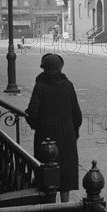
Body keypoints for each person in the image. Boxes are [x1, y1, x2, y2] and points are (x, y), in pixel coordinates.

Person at [25, 53, 82, 203]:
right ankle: (65, 209)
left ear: (44, 69)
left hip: (46, 135)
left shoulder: (40, 86)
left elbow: (32, 112)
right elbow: (77, 114)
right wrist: (74, 132)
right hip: (67, 134)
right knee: (66, 171)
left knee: (46, 172)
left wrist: (35, 125)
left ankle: (50, 209)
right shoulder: (68, 85)